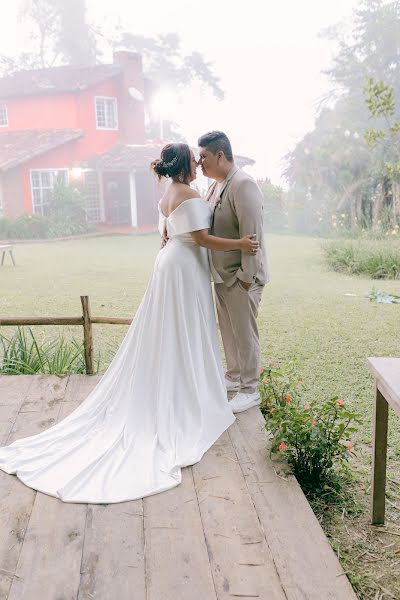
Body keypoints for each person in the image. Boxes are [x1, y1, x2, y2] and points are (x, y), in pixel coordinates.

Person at [0, 142, 259, 504]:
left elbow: (167, 233)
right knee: (184, 330)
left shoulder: (168, 193)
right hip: (184, 267)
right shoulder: (188, 193)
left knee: (171, 330)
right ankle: (186, 392)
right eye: (195, 160)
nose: (200, 164)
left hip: (170, 262)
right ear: (185, 164)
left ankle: (181, 383)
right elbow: (200, 238)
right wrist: (241, 245)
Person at [198, 131, 270, 414]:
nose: (199, 163)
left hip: (242, 278)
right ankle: (234, 376)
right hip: (222, 275)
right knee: (229, 331)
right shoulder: (216, 185)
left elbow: (253, 237)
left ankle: (250, 389)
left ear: (219, 154)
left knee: (244, 333)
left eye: (203, 157)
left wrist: (245, 278)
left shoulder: (243, 184)